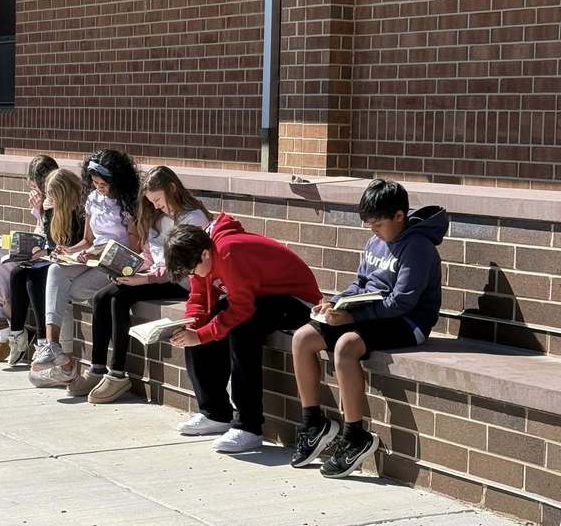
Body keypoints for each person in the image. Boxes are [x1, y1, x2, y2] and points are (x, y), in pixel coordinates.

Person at [290, 179, 449, 478]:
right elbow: (361, 283)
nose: (373, 230)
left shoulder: (418, 247)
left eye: (377, 223)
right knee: (303, 338)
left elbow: (401, 302)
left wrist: (351, 319)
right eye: (369, 224)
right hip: (372, 312)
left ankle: (355, 436)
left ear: (399, 216)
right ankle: (313, 424)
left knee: (346, 346)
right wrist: (337, 303)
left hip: (408, 322)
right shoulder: (376, 241)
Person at [164, 213, 321, 454]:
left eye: (193, 270)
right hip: (263, 297)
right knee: (203, 324)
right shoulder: (199, 252)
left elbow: (242, 309)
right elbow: (198, 298)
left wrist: (202, 335)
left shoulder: (228, 252)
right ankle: (215, 413)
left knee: (241, 328)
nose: (193, 276)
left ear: (205, 255)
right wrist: (193, 326)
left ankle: (249, 427)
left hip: (297, 301)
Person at [75, 166, 211, 403]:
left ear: (172, 188)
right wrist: (128, 267)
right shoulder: (155, 217)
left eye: (158, 199)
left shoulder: (193, 218)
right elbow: (149, 256)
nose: (156, 206)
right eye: (151, 201)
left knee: (119, 297)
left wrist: (144, 279)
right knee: (101, 297)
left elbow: (179, 266)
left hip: (180, 281)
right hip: (155, 274)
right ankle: (97, 368)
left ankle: (117, 373)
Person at [29, 149, 140, 389]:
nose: (99, 187)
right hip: (92, 257)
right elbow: (88, 240)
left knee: (65, 292)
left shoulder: (129, 205)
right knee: (55, 270)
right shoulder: (93, 200)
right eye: (96, 183)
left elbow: (134, 248)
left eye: (103, 184)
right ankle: (52, 346)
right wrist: (68, 251)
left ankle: (65, 362)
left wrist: (100, 253)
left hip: (116, 263)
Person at [0, 154, 58, 362]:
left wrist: (44, 210)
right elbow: (39, 231)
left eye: (37, 188)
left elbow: (56, 237)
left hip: (51, 256)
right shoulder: (42, 200)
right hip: (37, 250)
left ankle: (5, 339)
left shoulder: (59, 197)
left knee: (18, 275)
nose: (35, 193)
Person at [5, 168, 85, 365]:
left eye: (53, 196)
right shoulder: (51, 210)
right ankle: (17, 334)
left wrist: (53, 254)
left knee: (37, 278)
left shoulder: (82, 212)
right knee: (18, 272)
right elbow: (53, 242)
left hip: (73, 263)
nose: (50, 200)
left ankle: (43, 341)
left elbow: (79, 243)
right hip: (55, 259)